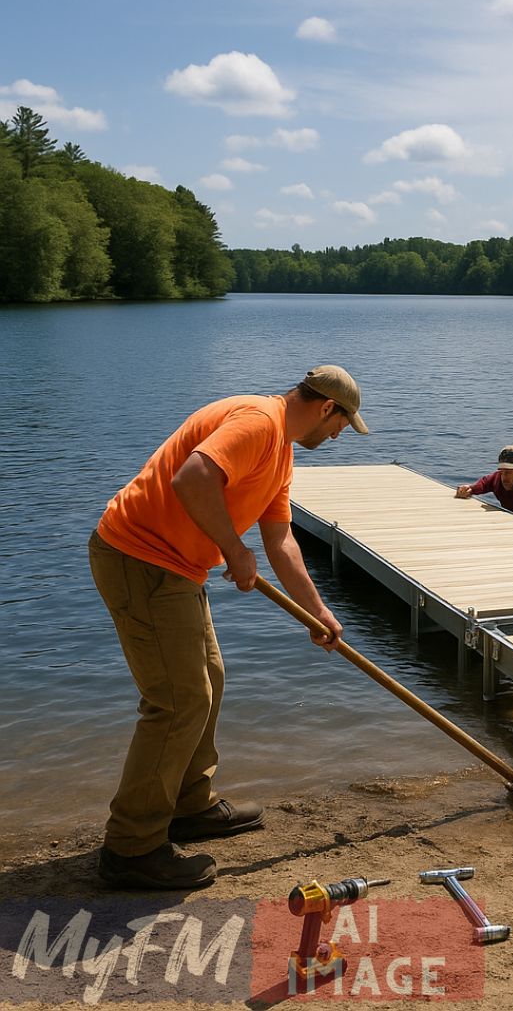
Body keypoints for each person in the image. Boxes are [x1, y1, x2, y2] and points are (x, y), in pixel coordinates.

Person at [88, 365, 368, 890]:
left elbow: (281, 541)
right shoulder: (260, 421)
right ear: (327, 407)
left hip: (176, 569)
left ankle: (187, 805)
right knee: (177, 699)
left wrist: (318, 612)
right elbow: (191, 477)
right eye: (341, 425)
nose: (336, 438)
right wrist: (234, 550)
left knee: (208, 681)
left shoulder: (280, 451)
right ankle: (130, 847)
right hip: (139, 559)